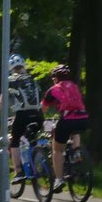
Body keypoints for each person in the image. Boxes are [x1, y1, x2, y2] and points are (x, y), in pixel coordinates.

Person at [0, 54, 43, 183]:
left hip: (22, 115)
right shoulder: (32, 79)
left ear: (10, 67)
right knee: (32, 139)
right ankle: (39, 166)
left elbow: (2, 101)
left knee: (14, 141)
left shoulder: (11, 80)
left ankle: (18, 172)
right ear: (23, 65)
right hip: (37, 115)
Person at [41, 64, 89, 193]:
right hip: (83, 118)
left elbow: (43, 109)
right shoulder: (74, 87)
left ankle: (59, 180)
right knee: (75, 131)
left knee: (57, 149)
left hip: (67, 120)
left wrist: (40, 119)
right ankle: (76, 152)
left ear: (56, 78)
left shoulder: (53, 89)